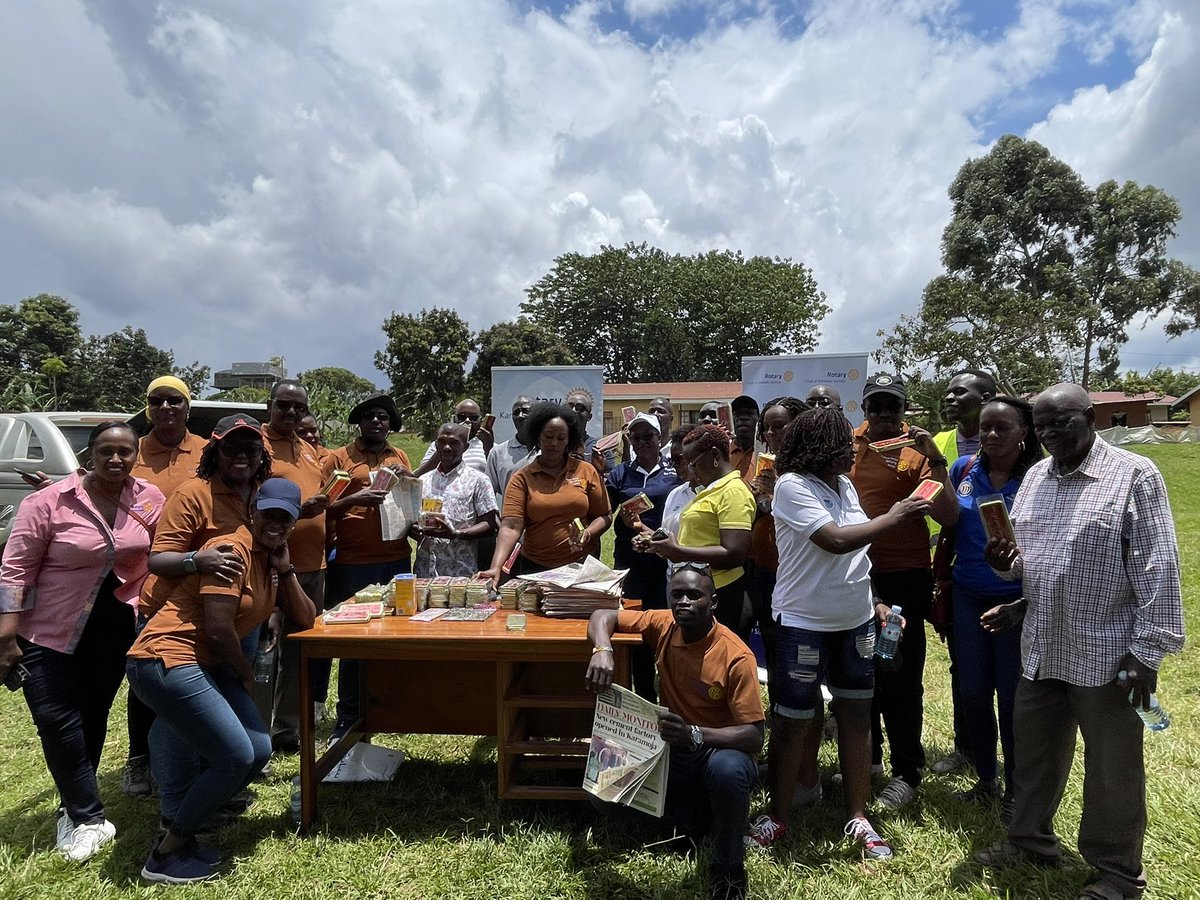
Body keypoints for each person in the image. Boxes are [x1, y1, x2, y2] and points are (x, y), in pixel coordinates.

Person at [975, 384, 1184, 900]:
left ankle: (1117, 874)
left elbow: (1157, 567)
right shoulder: (1035, 481)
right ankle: (1029, 841)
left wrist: (1147, 652)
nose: (1049, 435)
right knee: (1034, 756)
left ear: (1091, 417)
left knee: (1113, 769)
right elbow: (1036, 563)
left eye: (1060, 423)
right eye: (1041, 427)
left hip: (1111, 653)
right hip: (1043, 645)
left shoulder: (1135, 474)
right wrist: (1011, 581)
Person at [745, 406, 933, 859]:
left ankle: (858, 815)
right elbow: (835, 540)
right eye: (842, 443)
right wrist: (900, 513)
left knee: (856, 716)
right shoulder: (792, 487)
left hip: (855, 622)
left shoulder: (843, 483)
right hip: (804, 624)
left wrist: (876, 603)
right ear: (817, 448)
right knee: (793, 721)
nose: (852, 449)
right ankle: (779, 816)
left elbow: (856, 552)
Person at [127, 478, 316, 884]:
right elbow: (217, 628)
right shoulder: (231, 550)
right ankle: (167, 851)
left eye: (285, 518)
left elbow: (306, 618)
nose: (275, 524)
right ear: (253, 512)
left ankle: (188, 815)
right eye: (269, 514)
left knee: (259, 750)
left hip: (206, 666)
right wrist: (247, 677)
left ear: (294, 522)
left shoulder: (269, 559)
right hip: (165, 659)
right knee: (235, 757)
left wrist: (287, 569)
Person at [0, 421, 164, 862]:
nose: (116, 459)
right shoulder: (47, 502)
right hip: (50, 629)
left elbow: (158, 555)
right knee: (55, 716)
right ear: (88, 455)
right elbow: (14, 571)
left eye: (125, 452)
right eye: (106, 451)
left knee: (92, 715)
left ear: (135, 456)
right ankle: (88, 817)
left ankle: (74, 806)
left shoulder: (148, 498)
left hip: (115, 628)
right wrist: (5, 635)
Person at [587, 564, 764, 900]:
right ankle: (693, 820)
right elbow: (603, 614)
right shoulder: (664, 623)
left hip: (717, 751)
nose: (684, 602)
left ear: (713, 601)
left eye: (694, 595)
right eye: (677, 595)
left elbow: (754, 736)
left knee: (728, 771)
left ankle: (728, 871)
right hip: (672, 750)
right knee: (602, 790)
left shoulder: (736, 655)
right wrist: (602, 650)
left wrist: (696, 734)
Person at [848, 373, 956, 809]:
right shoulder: (849, 444)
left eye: (891, 406)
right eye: (875, 406)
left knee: (899, 671)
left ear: (904, 409)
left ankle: (907, 770)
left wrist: (936, 459)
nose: (883, 416)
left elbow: (948, 517)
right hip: (855, 572)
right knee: (861, 669)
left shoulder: (918, 451)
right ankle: (869, 758)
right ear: (864, 410)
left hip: (902, 578)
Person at [945, 396, 1039, 819]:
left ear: (1025, 432)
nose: (992, 435)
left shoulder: (1039, 479)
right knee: (972, 692)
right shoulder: (963, 471)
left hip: (1017, 601)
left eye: (1003, 427)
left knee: (1012, 696)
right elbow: (948, 528)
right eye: (985, 427)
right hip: (967, 594)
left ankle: (1017, 789)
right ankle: (986, 777)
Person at [123, 376, 210, 797]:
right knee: (147, 670)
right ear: (147, 407)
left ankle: (191, 754)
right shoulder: (131, 451)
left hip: (198, 574)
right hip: (144, 577)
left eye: (175, 400)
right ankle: (139, 759)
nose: (166, 407)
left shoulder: (206, 450)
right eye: (157, 400)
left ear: (187, 407)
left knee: (192, 668)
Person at [320, 393, 413, 743]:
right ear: (359, 422)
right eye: (370, 417)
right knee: (354, 641)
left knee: (393, 637)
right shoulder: (340, 458)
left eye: (384, 417)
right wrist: (355, 500)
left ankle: (386, 708)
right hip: (352, 562)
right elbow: (322, 508)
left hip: (396, 559)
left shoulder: (398, 456)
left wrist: (410, 484)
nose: (377, 422)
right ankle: (349, 715)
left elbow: (408, 502)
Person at [929, 369, 997, 777]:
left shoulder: (1021, 448)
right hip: (955, 566)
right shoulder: (940, 445)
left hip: (1012, 578)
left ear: (987, 396)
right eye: (948, 392)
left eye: (961, 391)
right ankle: (967, 747)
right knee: (964, 667)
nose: (950, 398)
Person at [262, 379, 330, 753]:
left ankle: (287, 731)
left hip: (312, 565)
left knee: (299, 650)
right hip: (270, 563)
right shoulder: (257, 446)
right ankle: (256, 734)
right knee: (265, 652)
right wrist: (298, 512)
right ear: (269, 405)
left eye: (298, 408)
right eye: (283, 405)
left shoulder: (307, 449)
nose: (291, 413)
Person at [642, 425, 755, 643]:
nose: (691, 470)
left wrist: (680, 552)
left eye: (694, 463)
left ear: (714, 455)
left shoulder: (732, 491)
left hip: (724, 596)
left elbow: (734, 553)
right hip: (701, 591)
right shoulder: (712, 489)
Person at [481, 402, 611, 583]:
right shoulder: (522, 478)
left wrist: (588, 533)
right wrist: (495, 567)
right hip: (535, 568)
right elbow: (510, 527)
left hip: (580, 566)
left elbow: (604, 516)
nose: (553, 443)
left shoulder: (586, 471)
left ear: (569, 440)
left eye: (561, 438)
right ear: (537, 437)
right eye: (548, 436)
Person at [604, 413, 683, 700]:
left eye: (648, 436)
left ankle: (673, 698)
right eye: (636, 437)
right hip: (631, 565)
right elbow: (604, 512)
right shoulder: (621, 473)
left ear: (658, 438)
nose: (643, 442)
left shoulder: (675, 471)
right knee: (634, 632)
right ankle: (643, 698)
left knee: (667, 630)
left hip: (667, 563)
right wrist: (622, 522)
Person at [746, 397, 805, 712]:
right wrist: (755, 497)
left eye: (779, 426)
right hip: (764, 567)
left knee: (795, 647)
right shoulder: (763, 465)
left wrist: (770, 495)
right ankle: (779, 709)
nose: (771, 434)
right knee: (771, 642)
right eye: (766, 428)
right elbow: (755, 513)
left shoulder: (810, 468)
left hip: (795, 572)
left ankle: (800, 711)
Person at [413, 422, 499, 577]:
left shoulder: (478, 480)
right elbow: (413, 520)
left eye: (454, 442)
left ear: (465, 448)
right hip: (425, 571)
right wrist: (413, 530)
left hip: (461, 572)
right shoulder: (423, 481)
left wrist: (457, 534)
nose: (447, 447)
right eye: (442, 442)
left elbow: (490, 523)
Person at [415, 398, 491, 475]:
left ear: (480, 420)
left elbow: (496, 477)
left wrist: (488, 450)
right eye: (462, 417)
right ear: (453, 418)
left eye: (473, 418)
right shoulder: (438, 445)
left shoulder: (490, 446)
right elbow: (421, 475)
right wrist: (442, 450)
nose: (467, 420)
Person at [486, 394, 535, 499]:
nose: (520, 416)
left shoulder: (549, 450)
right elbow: (489, 496)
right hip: (511, 514)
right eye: (516, 412)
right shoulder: (497, 453)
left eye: (525, 411)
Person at [729, 395, 760, 480]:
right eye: (738, 414)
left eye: (749, 413)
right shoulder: (722, 453)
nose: (743, 418)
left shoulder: (766, 454)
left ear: (759, 419)